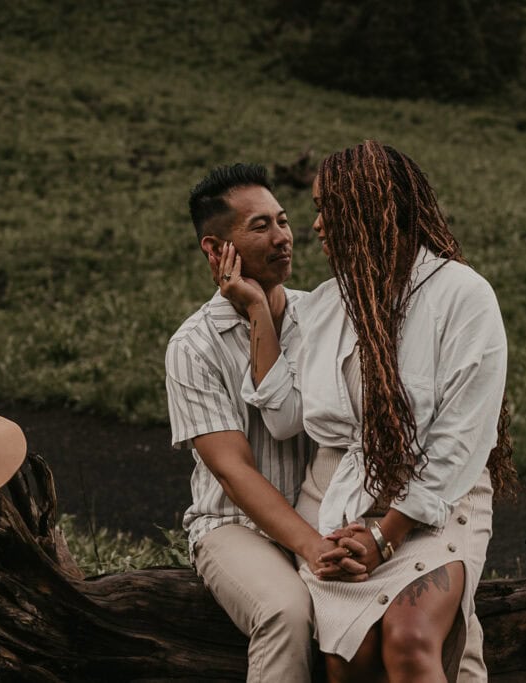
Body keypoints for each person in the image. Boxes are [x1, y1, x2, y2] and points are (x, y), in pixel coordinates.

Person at [220, 141, 516, 681]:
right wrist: (259, 308)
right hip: (338, 502)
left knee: (409, 639)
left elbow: (461, 439)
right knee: (347, 658)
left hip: (435, 501)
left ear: (372, 210)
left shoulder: (462, 296)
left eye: (326, 210)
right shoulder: (333, 302)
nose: (314, 226)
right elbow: (286, 418)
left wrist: (386, 535)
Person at [166, 163, 371, 683]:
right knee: (286, 609)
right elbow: (235, 474)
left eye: (283, 220)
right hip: (233, 529)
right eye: (260, 227)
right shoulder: (193, 347)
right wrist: (310, 546)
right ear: (215, 251)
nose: (283, 238)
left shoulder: (324, 314)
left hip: (330, 511)